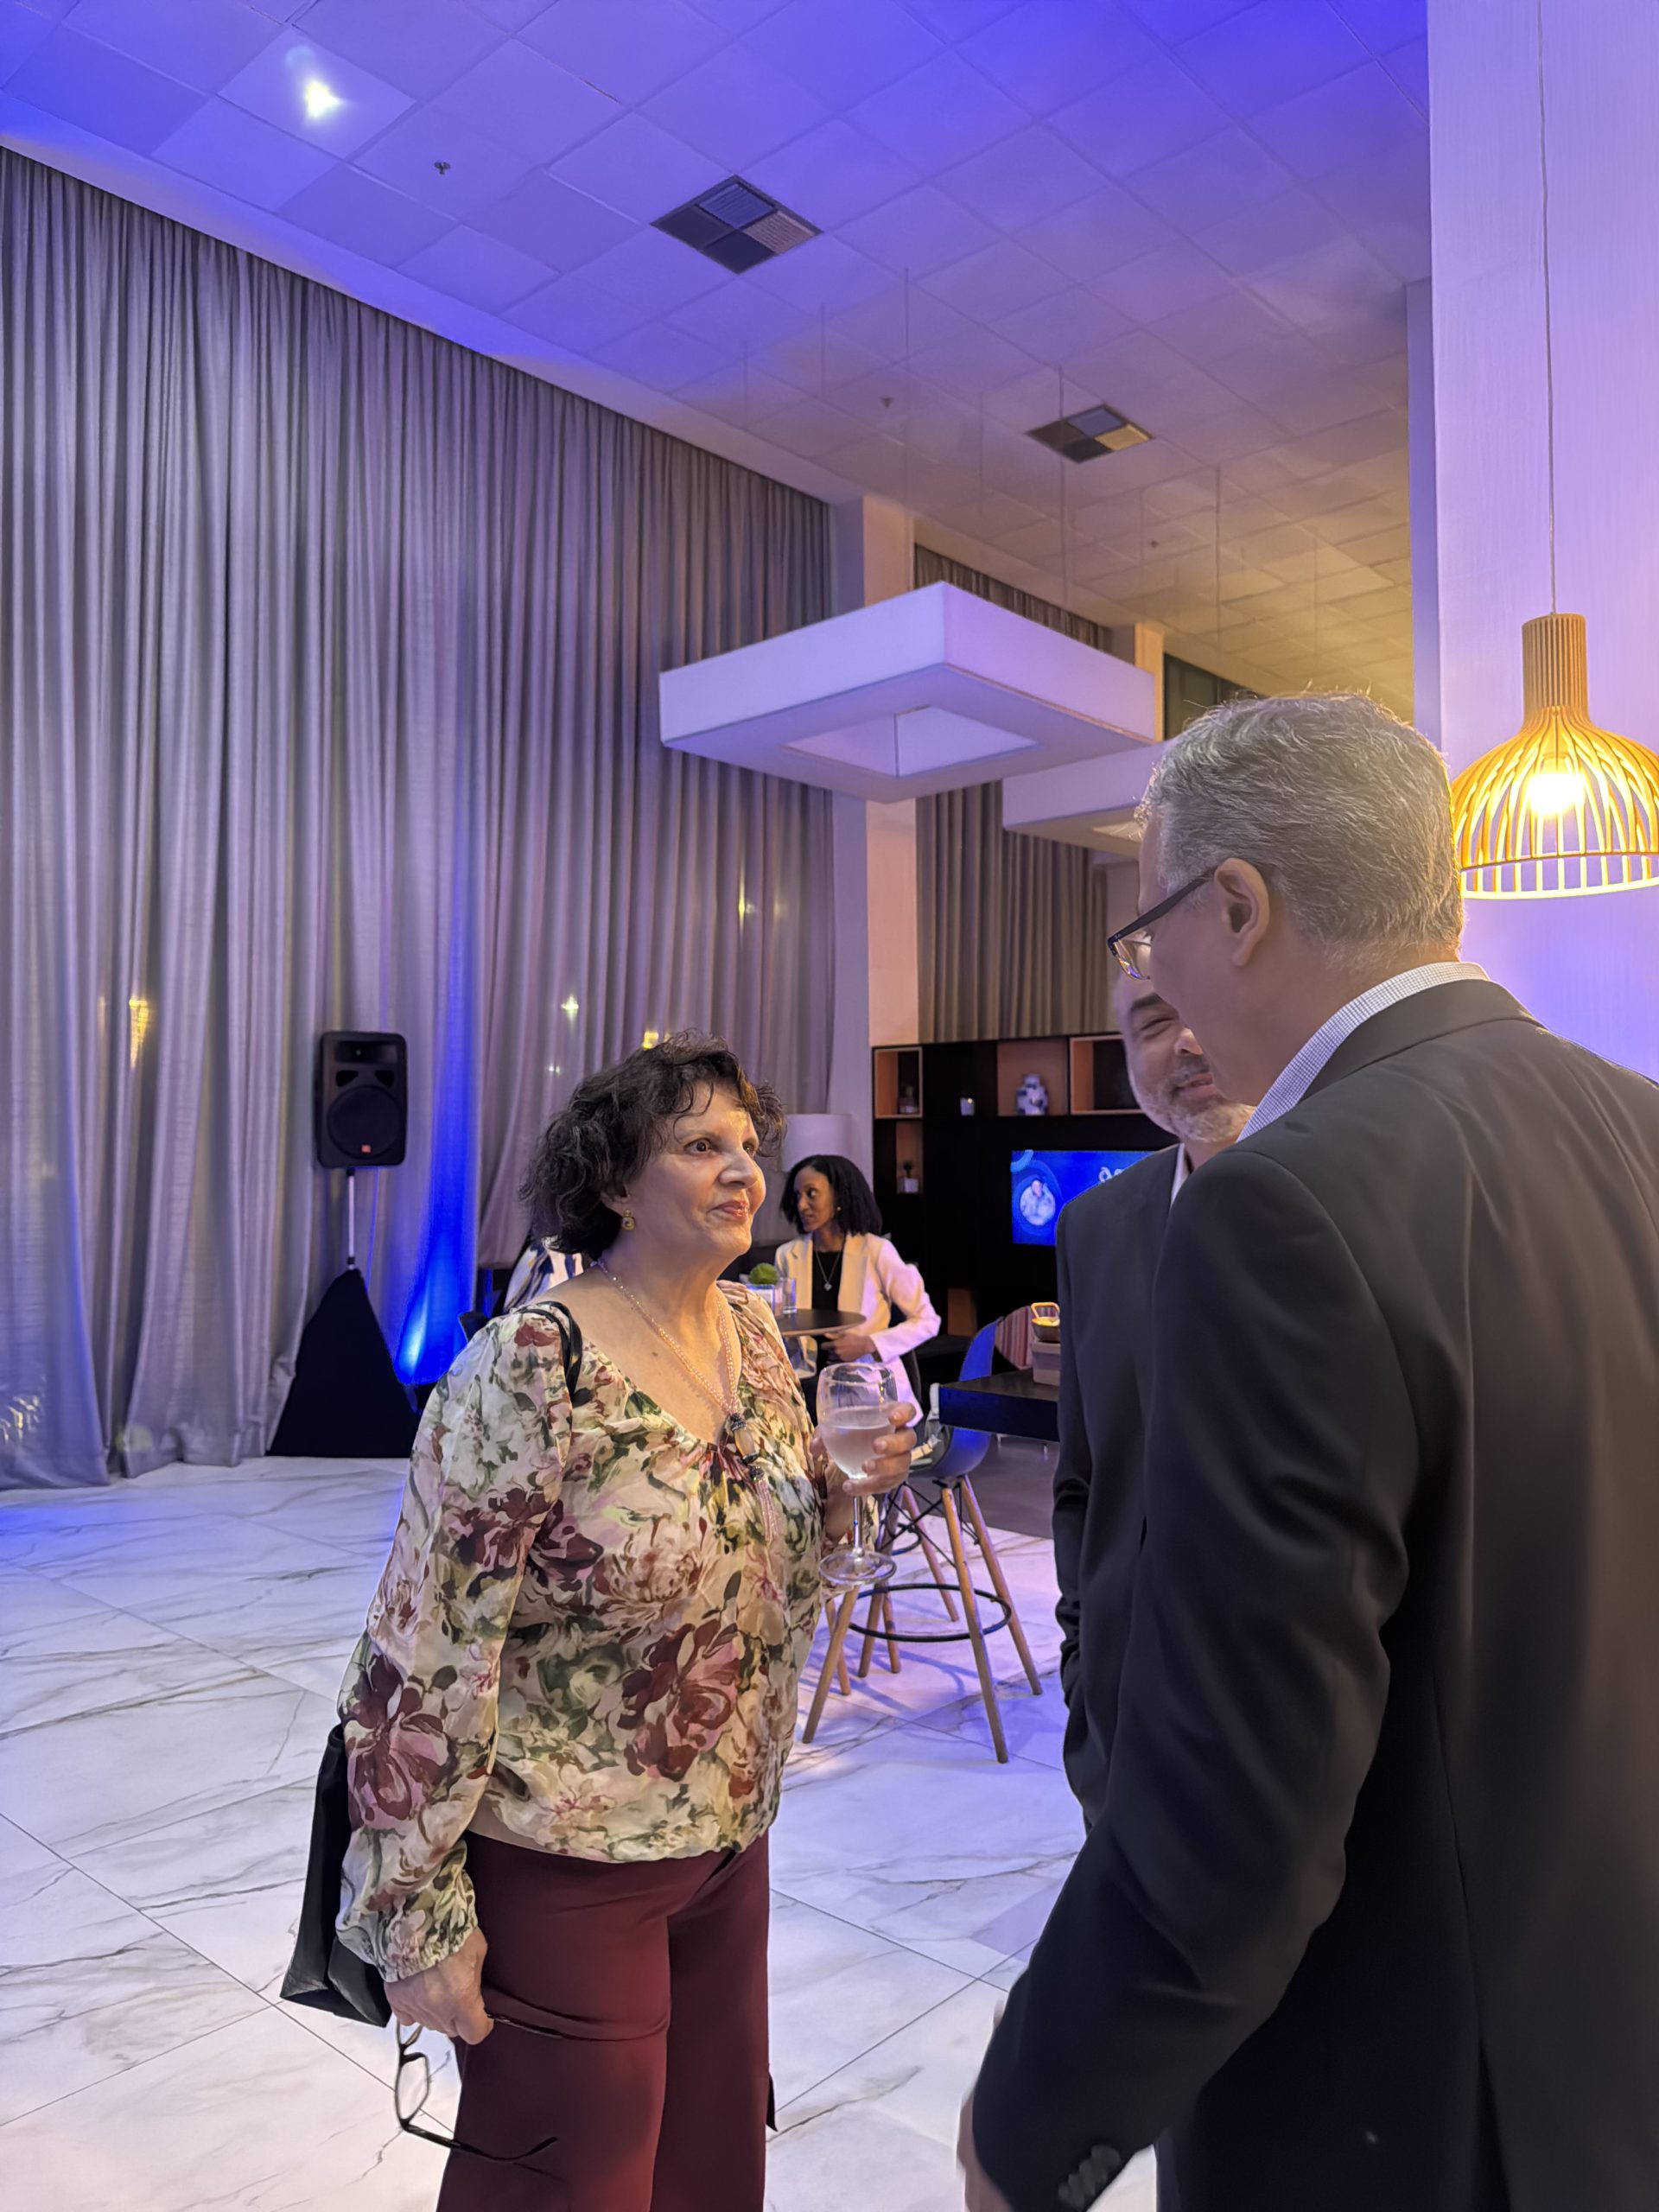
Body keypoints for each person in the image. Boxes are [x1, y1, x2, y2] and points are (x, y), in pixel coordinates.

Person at [963, 694, 1659, 2212]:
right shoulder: (1639, 1124)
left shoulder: (1283, 1199)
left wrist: (1029, 2124)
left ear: (1238, 906)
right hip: (1602, 2020)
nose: (1160, 983)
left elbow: (1241, 1813)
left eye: (1151, 931)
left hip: (1394, 2083)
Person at [334, 1033, 914, 2212]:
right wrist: (413, 1914)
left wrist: (845, 1492)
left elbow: (776, 1571)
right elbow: (425, 1647)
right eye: (701, 1146)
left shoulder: (754, 1333)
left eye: (748, 1144)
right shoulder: (532, 1363)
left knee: (712, 2167)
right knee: (573, 2179)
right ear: (613, 1182)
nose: (743, 1170)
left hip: (730, 1843)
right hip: (567, 1861)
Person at [1052, 969, 1252, 1835]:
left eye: (1208, 1007)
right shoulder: (1094, 1227)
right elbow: (1083, 1475)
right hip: (1123, 1726)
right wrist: (1082, 1661)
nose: (1188, 1040)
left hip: (1304, 1728)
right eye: (1154, 1022)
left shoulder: (1370, 1201)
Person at [774, 1153, 939, 1417]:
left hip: (869, 1391)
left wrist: (868, 1344)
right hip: (806, 1393)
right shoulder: (787, 1255)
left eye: (811, 1193)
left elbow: (928, 1321)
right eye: (797, 1195)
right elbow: (781, 1324)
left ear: (840, 1197)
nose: (802, 1204)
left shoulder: (877, 1251)